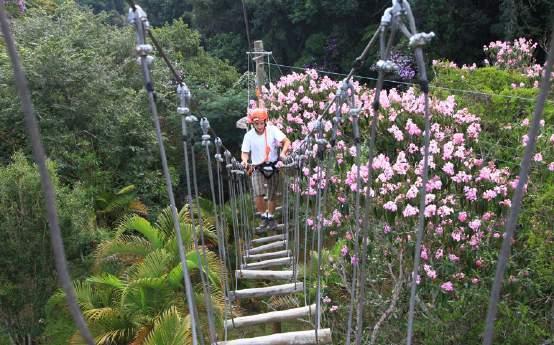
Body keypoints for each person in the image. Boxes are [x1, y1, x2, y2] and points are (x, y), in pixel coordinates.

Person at [241, 108, 290, 230]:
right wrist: (245, 161)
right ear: (252, 123)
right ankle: (264, 217)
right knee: (258, 193)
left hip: (273, 166)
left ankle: (271, 217)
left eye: (261, 123)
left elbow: (286, 141)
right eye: (256, 124)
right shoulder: (249, 136)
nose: (259, 126)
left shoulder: (272, 130)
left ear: (265, 121)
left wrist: (283, 153)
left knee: (272, 195)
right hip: (257, 167)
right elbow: (245, 152)